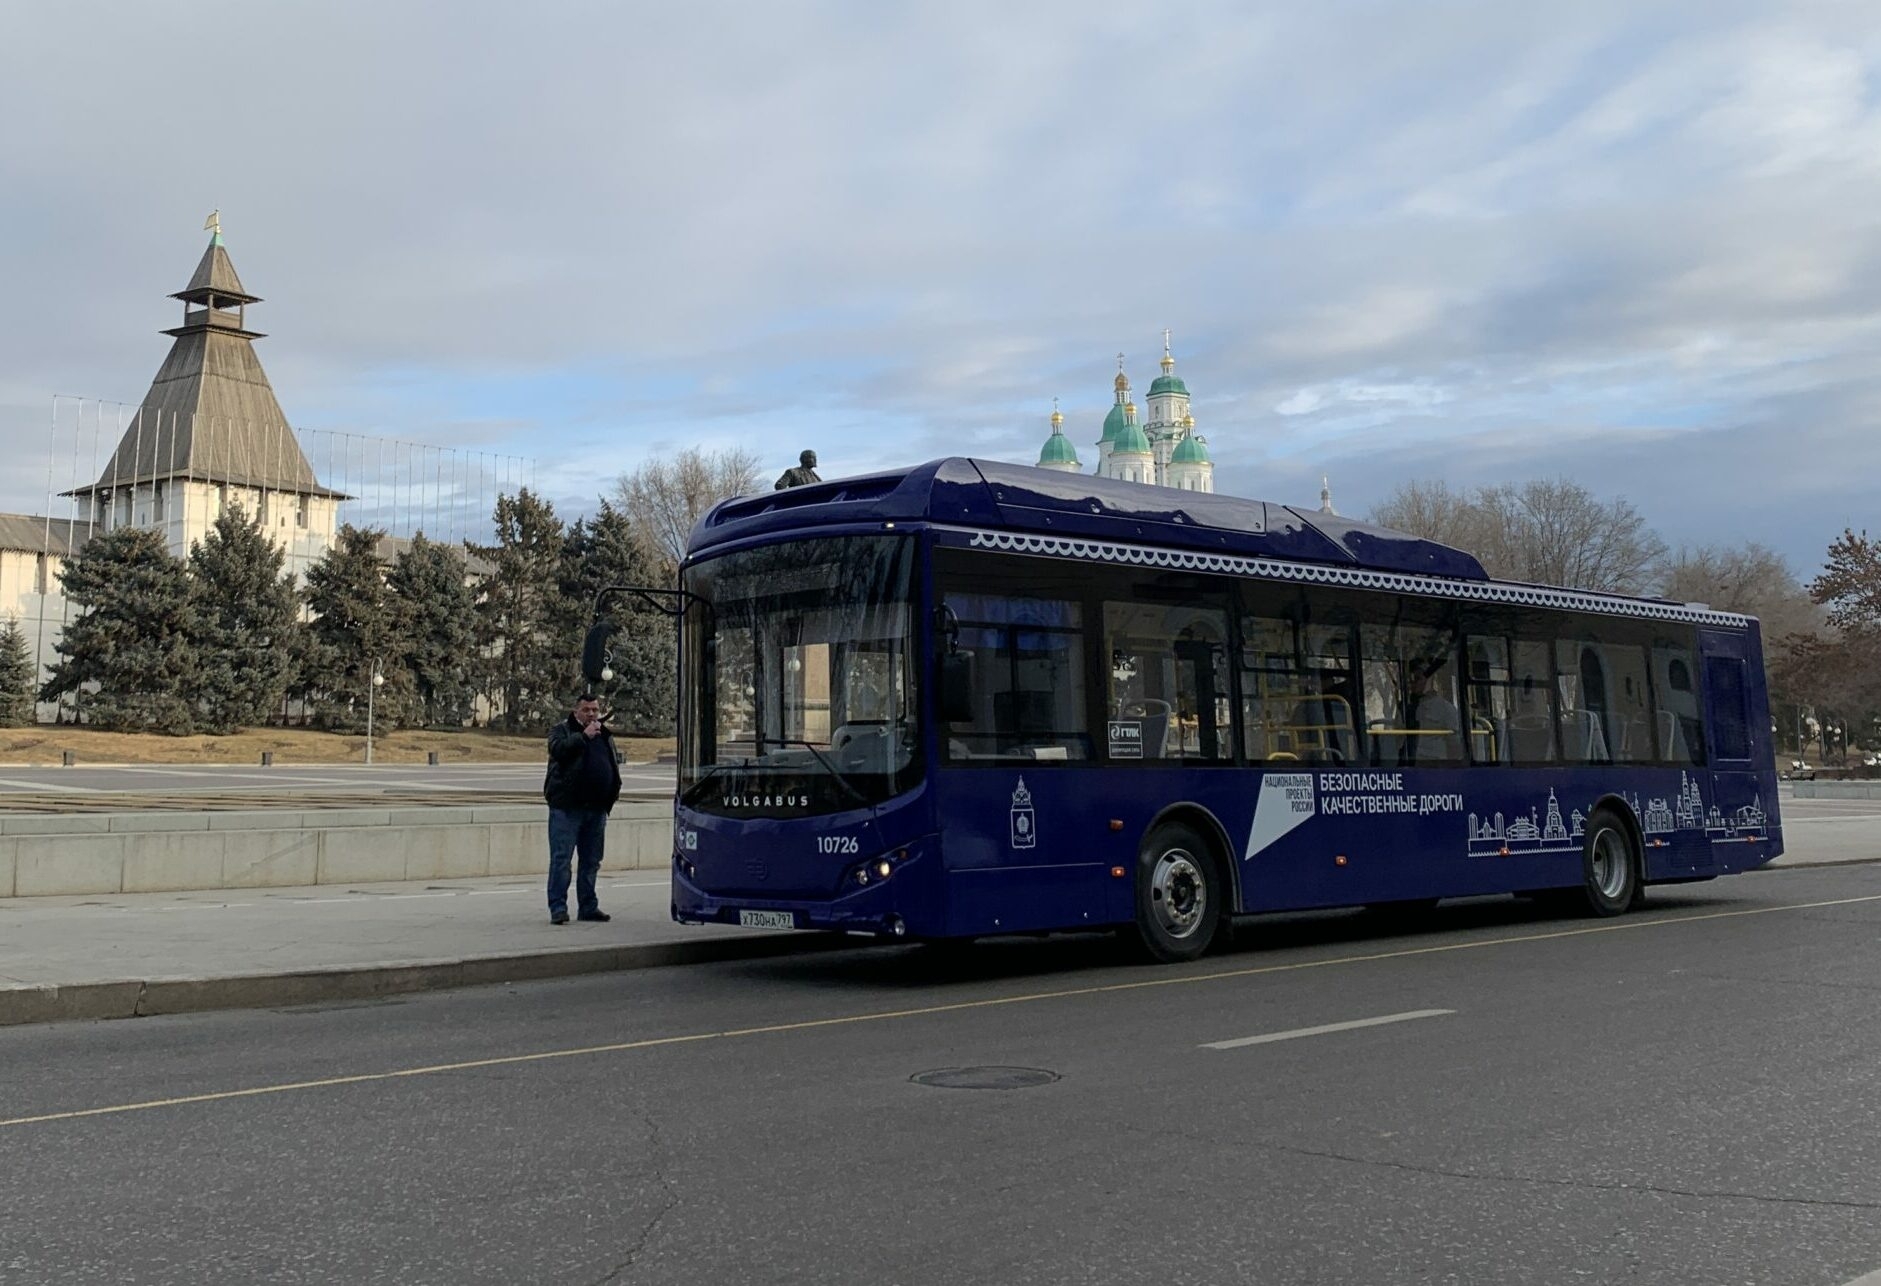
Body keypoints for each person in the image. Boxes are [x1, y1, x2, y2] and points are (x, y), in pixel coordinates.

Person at [542, 693, 622, 924]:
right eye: (586, 710)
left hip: (596, 809)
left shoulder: (603, 734)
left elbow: (611, 763)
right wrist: (582, 737)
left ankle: (588, 906)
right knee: (561, 860)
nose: (591, 714)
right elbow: (558, 750)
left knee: (591, 861)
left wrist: (612, 791)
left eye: (595, 710)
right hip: (567, 808)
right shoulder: (562, 730)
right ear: (576, 711)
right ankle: (558, 907)